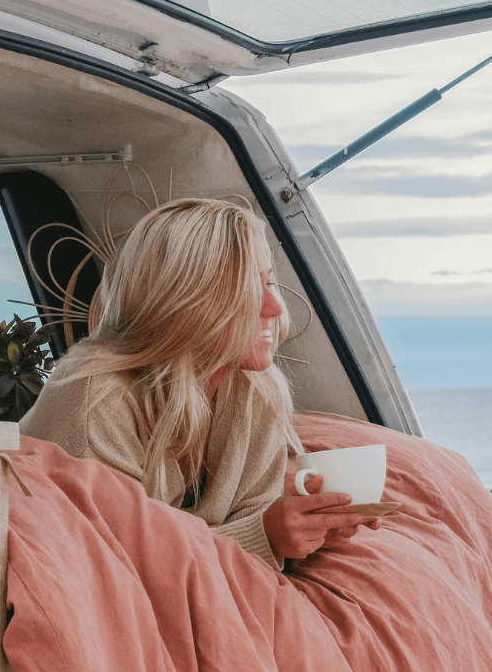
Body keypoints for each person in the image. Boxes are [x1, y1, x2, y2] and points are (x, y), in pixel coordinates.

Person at [20, 198, 375, 569]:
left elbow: (256, 536)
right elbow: (113, 566)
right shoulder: (93, 398)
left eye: (268, 283)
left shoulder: (258, 393)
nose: (274, 308)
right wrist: (264, 537)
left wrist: (304, 531)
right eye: (247, 290)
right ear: (188, 302)